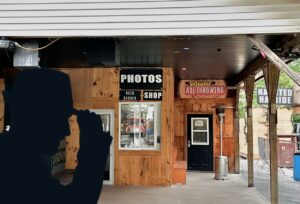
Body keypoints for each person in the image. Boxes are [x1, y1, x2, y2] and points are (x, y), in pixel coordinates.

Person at [0, 69, 112, 204]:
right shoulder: (16, 166)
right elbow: (78, 199)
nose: (67, 131)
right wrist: (92, 148)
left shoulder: (13, 156)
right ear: (38, 117)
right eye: (59, 118)